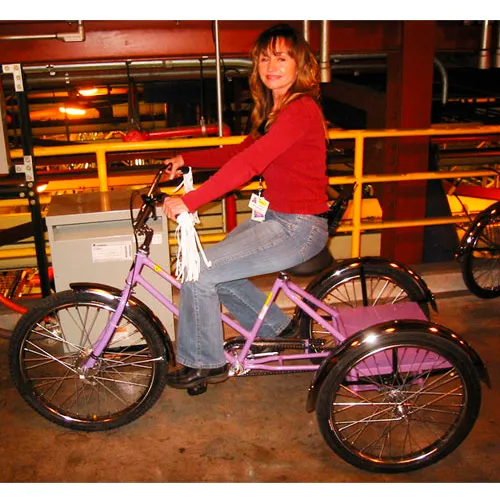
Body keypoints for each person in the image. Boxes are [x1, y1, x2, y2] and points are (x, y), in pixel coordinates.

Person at [162, 23, 329, 389]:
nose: (271, 66)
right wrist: (187, 158)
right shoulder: (277, 111)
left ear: (300, 64)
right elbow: (240, 152)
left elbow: (249, 164)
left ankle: (205, 362)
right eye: (265, 59)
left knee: (199, 272)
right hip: (275, 218)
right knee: (211, 267)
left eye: (281, 58)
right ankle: (277, 329)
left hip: (298, 227)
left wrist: (190, 201)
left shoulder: (300, 110)